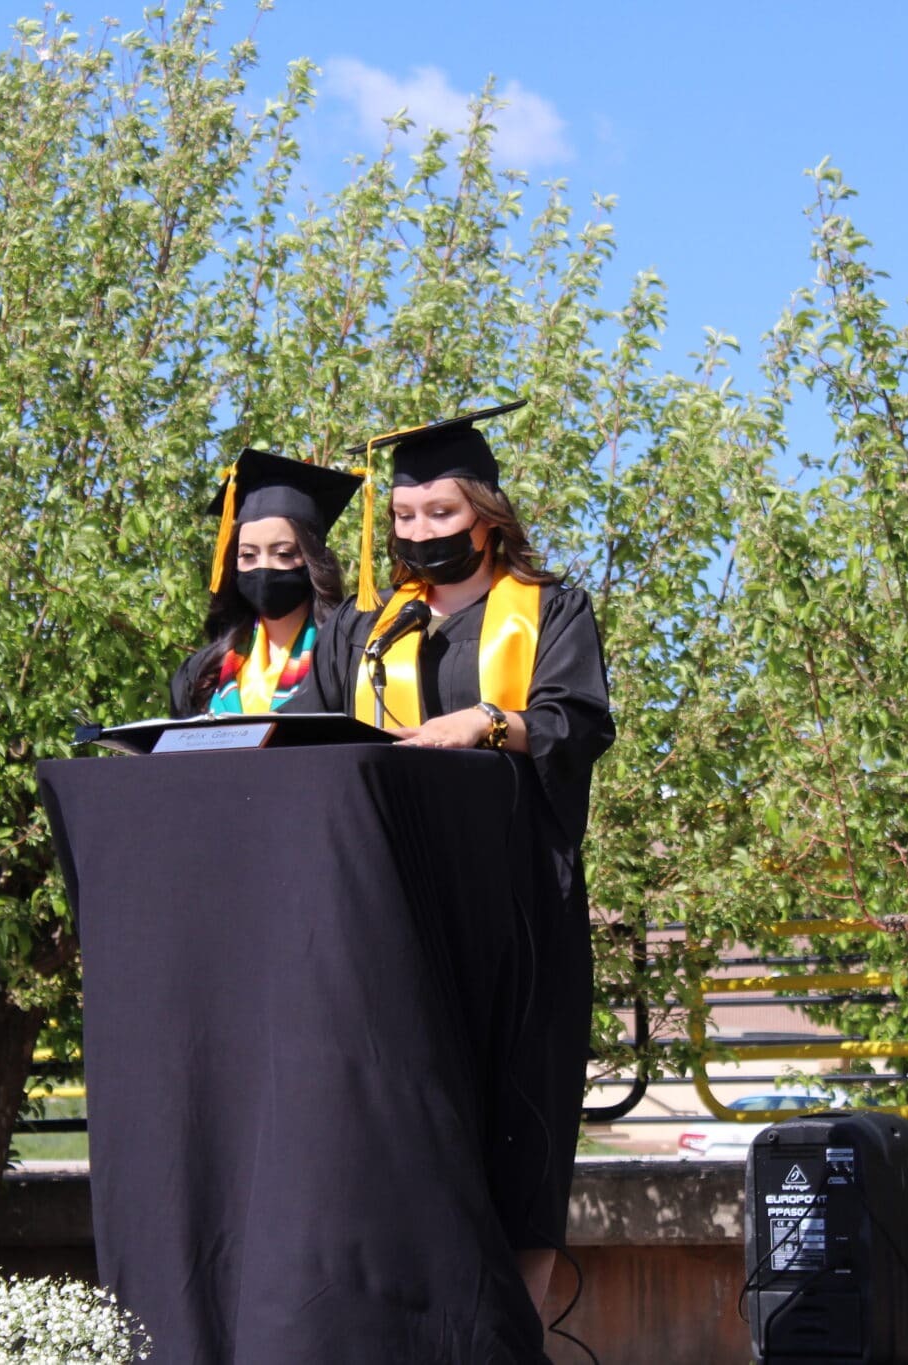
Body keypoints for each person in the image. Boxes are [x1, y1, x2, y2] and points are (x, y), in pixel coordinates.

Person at [289, 401, 614, 1318]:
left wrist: (490, 722)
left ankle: (515, 1338)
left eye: (442, 513)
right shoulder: (373, 628)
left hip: (517, 915)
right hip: (398, 914)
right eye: (405, 517)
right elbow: (314, 731)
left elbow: (577, 722)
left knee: (518, 1127)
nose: (423, 531)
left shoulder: (552, 608)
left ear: (487, 515)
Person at [167, 448, 364, 718]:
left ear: (312, 560)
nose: (264, 567)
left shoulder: (345, 656)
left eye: (283, 553)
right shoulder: (202, 673)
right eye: (248, 555)